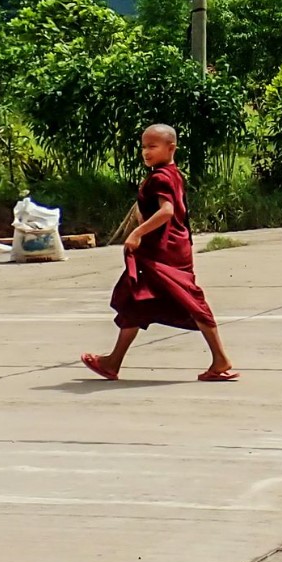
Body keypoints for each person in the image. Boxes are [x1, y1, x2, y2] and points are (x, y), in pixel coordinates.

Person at [80, 124, 239, 383]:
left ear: (171, 148)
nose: (146, 152)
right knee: (137, 300)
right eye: (143, 146)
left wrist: (137, 233)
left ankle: (220, 358)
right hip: (167, 248)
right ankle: (112, 362)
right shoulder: (171, 173)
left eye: (152, 147)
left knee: (191, 301)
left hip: (164, 252)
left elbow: (167, 212)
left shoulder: (161, 178)